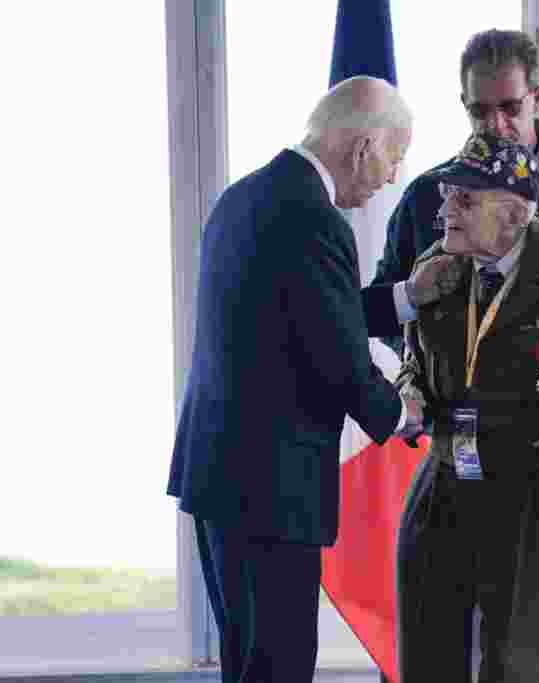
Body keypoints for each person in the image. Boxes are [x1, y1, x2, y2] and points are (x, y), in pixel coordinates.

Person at [375, 28, 539, 683]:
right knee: (443, 621)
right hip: (456, 442)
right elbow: (392, 307)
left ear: (537, 99)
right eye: (478, 110)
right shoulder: (429, 196)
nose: (495, 123)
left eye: (509, 108)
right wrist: (420, 378)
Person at [167, 76, 443, 683]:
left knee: (250, 664)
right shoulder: (311, 216)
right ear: (365, 146)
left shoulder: (249, 196)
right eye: (395, 156)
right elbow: (338, 359)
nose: (393, 177)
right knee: (279, 666)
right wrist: (404, 417)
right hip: (269, 489)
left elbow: (310, 312)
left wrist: (407, 297)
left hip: (222, 477)